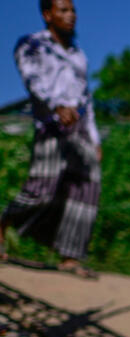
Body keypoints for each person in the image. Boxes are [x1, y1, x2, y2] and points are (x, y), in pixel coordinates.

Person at [0, 0, 101, 279]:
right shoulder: (32, 44)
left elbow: (86, 98)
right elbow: (32, 80)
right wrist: (55, 105)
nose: (71, 16)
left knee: (87, 188)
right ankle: (3, 222)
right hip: (50, 124)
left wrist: (94, 138)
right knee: (41, 189)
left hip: (79, 128)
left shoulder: (78, 55)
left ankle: (70, 256)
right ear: (48, 15)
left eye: (73, 10)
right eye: (63, 10)